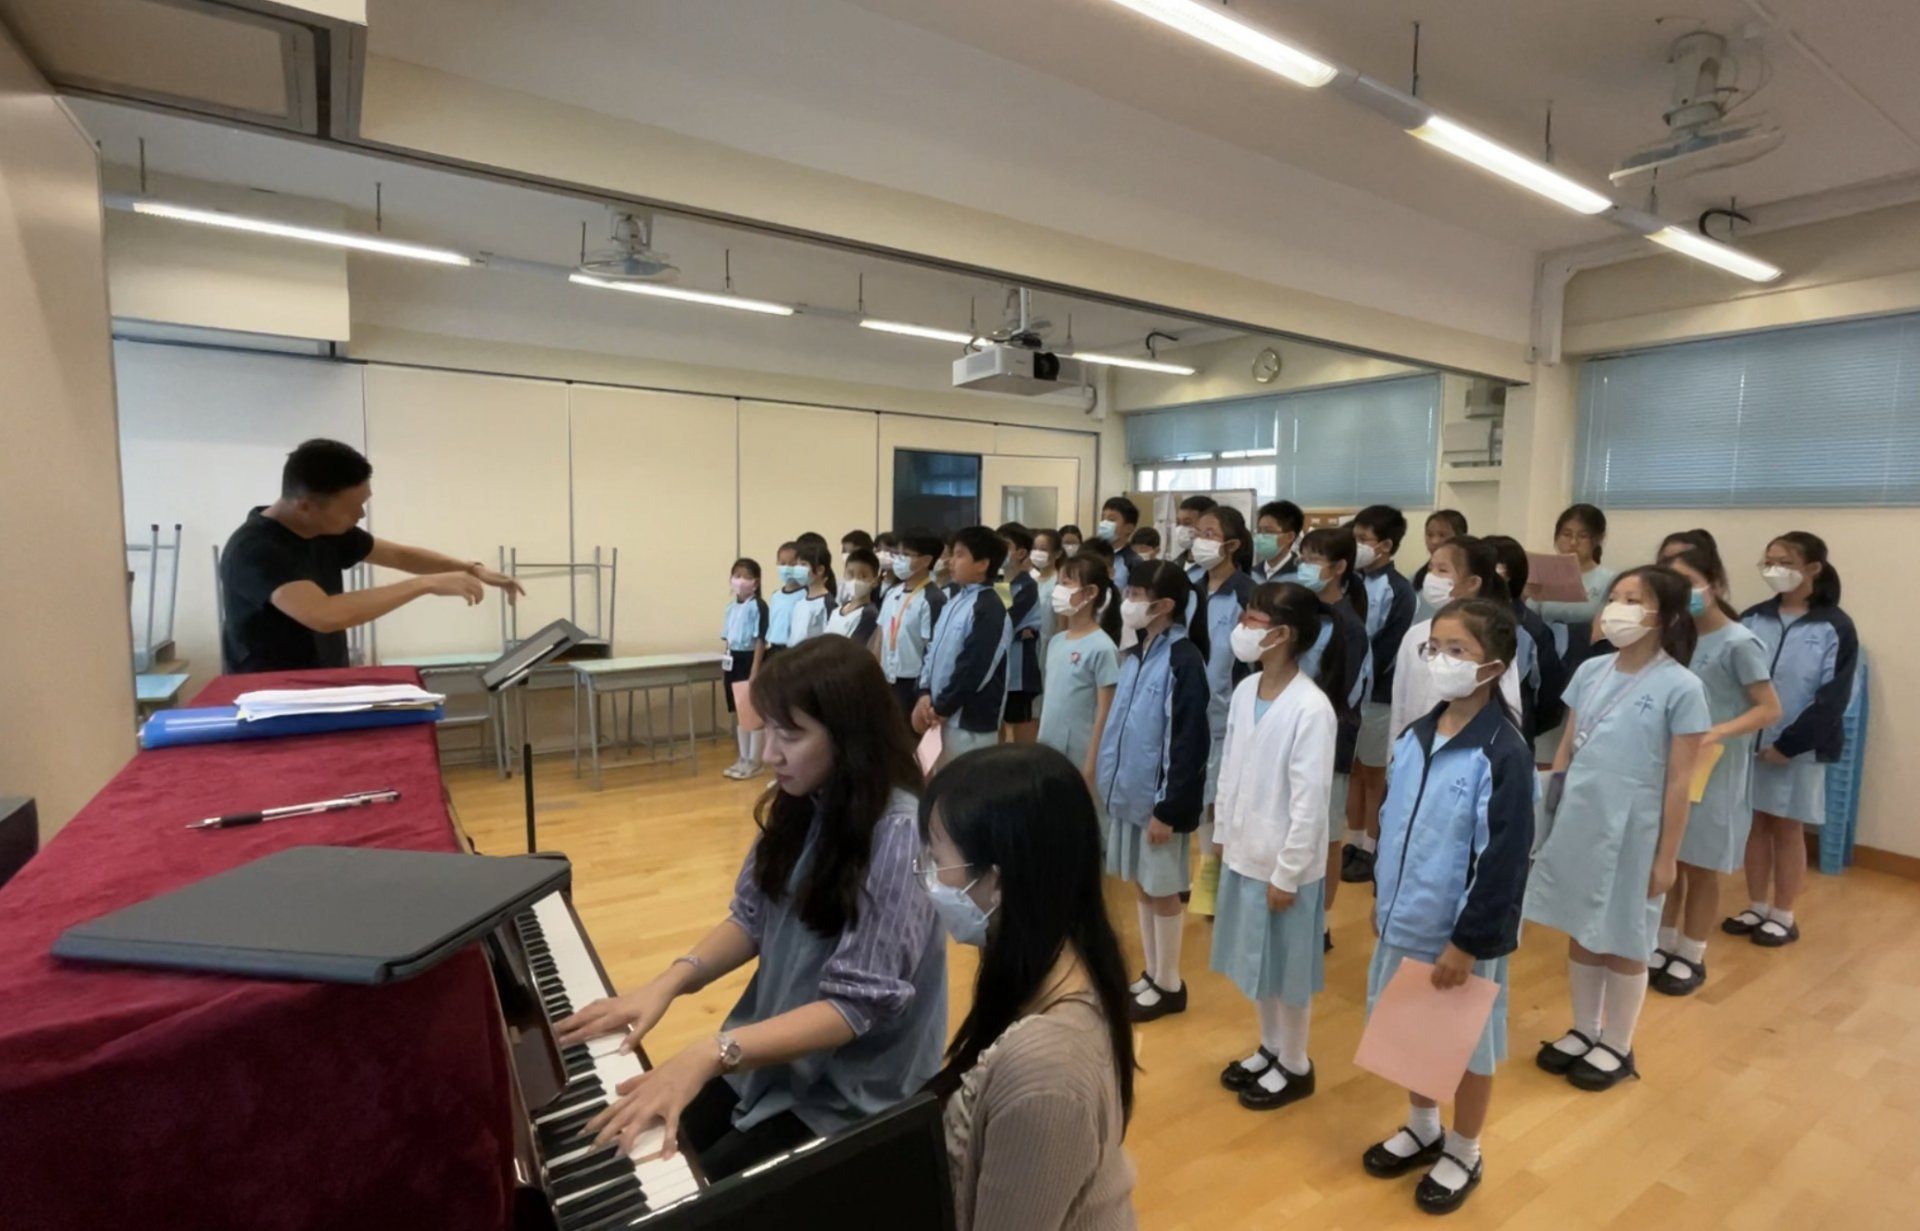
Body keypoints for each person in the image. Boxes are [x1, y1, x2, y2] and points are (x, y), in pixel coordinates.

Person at [555, 637, 946, 1180]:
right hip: (768, 1058)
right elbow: (752, 917)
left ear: (850, 736)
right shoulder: (806, 798)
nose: (769, 754)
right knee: (617, 1145)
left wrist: (710, 1052)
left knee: (687, 1190)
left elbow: (854, 1007)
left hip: (846, 1097)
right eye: (769, 731)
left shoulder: (899, 832)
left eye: (791, 735)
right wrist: (664, 985)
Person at [918, 744, 1139, 1231]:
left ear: (996, 881)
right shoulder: (1055, 962)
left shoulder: (1047, 1071)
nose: (930, 879)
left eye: (937, 861)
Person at [1363, 597, 1534, 1216]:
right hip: (1404, 918)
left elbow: (1504, 860)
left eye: (1457, 650)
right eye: (1434, 648)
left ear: (1493, 667)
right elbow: (1394, 822)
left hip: (1459, 934)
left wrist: (1467, 942)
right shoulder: (1416, 735)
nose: (1440, 659)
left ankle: (1465, 1148)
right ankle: (1423, 1125)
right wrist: (1383, 897)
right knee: (1413, 1032)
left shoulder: (1503, 753)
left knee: (1465, 1045)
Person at [1526, 566, 1708, 1092]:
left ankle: (1618, 1043)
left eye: (1634, 599)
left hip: (1637, 827)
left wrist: (1667, 856)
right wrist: (1553, 813)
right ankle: (1585, 1028)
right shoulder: (1592, 670)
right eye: (1616, 597)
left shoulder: (1682, 686)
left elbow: (1680, 782)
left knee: (1626, 934)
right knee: (1581, 922)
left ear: (1664, 616)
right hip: (1581, 814)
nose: (1618, 607)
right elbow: (1567, 747)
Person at [218, 438, 525, 673]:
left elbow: (401, 556)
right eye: (353, 507)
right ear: (305, 506)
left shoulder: (324, 529)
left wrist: (472, 569)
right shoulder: (255, 550)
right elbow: (324, 614)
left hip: (323, 678)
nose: (361, 515)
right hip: (268, 692)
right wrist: (426, 584)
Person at [1210, 582, 1339, 1112]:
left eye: (1253, 619)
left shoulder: (1311, 708)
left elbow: (1311, 803)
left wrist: (1287, 873)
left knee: (1287, 970)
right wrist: (1221, 832)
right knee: (1256, 961)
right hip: (1245, 850)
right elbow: (1230, 768)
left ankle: (1296, 1062)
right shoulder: (1246, 691)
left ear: (1283, 634)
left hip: (1286, 866)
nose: (1242, 627)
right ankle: (1269, 1046)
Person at [1650, 545, 1781, 995]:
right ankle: (1663, 942)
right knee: (1670, 857)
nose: (1682, 594)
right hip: (1675, 765)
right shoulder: (1676, 637)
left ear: (1716, 584)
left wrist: (1718, 731)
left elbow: (1769, 708)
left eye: (1689, 584)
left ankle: (1691, 952)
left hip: (1716, 768)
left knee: (1701, 865)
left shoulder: (1739, 643)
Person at [1727, 533, 1857, 949]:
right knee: (1756, 824)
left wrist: (1789, 745)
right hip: (1750, 742)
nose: (1774, 570)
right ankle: (1756, 905)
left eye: (1785, 562)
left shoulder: (1835, 626)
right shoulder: (1752, 618)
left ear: (1813, 568)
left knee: (1787, 827)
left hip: (1800, 748)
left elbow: (1832, 697)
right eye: (1769, 561)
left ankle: (1783, 913)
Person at [1095, 560, 1210, 1022]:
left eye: (1137, 595)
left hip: (1158, 803)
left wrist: (1169, 808)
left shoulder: (1184, 659)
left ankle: (1170, 983)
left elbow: (1187, 741)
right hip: (1131, 794)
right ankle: (1152, 973)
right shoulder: (1139, 650)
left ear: (1164, 605)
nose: (1129, 602)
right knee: (1144, 886)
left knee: (1162, 889)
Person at [1295, 527, 1373, 894]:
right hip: (1292, 735)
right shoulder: (1303, 612)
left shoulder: (1349, 627)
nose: (1304, 566)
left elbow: (1345, 696)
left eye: (1313, 560)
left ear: (1339, 567)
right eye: (1302, 558)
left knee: (1324, 836)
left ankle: (1320, 917)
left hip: (1326, 742)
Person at [1388, 537, 1523, 745]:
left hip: (1473, 744)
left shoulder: (1491, 635)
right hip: (1417, 744)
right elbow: (1400, 705)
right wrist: (1395, 754)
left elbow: (1509, 700)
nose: (1432, 577)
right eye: (1431, 569)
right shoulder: (1415, 635)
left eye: (1442, 570)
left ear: (1472, 583)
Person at [1191, 506, 1258, 912]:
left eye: (1210, 533)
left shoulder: (1247, 592)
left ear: (1231, 544)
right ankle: (1206, 882)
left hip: (1228, 712)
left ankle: (1219, 887)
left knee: (1223, 801)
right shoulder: (1190, 586)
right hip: (1191, 710)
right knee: (1200, 800)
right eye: (1197, 531)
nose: (1200, 540)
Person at [1347, 505, 1416, 884]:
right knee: (1354, 770)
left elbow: (1388, 648)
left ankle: (1371, 848)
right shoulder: (1351, 580)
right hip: (1349, 694)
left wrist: (1359, 673)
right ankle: (1352, 839)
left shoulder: (1398, 590)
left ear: (1386, 545)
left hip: (1378, 695)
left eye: (1363, 540)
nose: (1356, 545)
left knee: (1375, 773)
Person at [913, 527, 1012, 768]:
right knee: (940, 783)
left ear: (982, 564)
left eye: (959, 555)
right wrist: (924, 692)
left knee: (967, 785)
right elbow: (933, 651)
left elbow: (975, 667)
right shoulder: (955, 600)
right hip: (940, 715)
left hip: (969, 724)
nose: (950, 561)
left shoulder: (990, 608)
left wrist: (943, 707)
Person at [1529, 504, 1616, 763]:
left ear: (1597, 539)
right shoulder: (1544, 573)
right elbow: (1532, 614)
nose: (1573, 543)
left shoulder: (1608, 579)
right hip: (1546, 657)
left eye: (1583, 536)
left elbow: (1604, 625)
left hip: (1586, 656)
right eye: (1566, 534)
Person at [1038, 555, 1123, 793]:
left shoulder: (1102, 648)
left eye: (1066, 583)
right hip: (1049, 744)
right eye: (1058, 583)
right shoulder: (1057, 641)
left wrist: (1092, 763)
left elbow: (1105, 712)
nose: (1058, 590)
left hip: (1080, 750)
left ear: (1090, 592)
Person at [1482, 535, 1568, 746]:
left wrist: (1530, 726)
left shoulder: (1530, 628)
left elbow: (1550, 693)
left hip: (1513, 731)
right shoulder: (1462, 618)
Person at [877, 531, 948, 720]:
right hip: (887, 677)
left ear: (926, 560)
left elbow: (933, 650)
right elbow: (880, 635)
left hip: (912, 683)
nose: (899, 559)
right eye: (898, 553)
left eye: (906, 555)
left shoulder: (933, 599)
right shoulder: (892, 593)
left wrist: (925, 691)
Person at [722, 557, 770, 780]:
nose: (740, 580)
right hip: (733, 659)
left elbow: (760, 639)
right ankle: (743, 757)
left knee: (752, 712)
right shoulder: (731, 607)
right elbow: (728, 637)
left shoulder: (758, 606)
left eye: (746, 576)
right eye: (737, 575)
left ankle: (755, 761)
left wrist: (755, 670)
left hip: (750, 659)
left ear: (756, 582)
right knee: (739, 712)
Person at [997, 523, 1044, 744]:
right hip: (999, 663)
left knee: (1022, 723)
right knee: (998, 721)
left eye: (1005, 545)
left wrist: (1016, 633)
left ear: (1021, 552)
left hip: (1020, 668)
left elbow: (1006, 619)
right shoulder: (999, 582)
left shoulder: (1027, 585)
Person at [1409, 509, 1469, 617]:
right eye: (1429, 535)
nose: (1434, 541)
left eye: (1442, 535)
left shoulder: (1468, 578)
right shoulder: (1416, 578)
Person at [825, 548, 882, 644]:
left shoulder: (869, 615)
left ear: (875, 581)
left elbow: (852, 648)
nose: (855, 580)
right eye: (850, 574)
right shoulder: (837, 611)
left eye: (863, 576)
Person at [764, 541, 808, 658]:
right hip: (774, 649)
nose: (787, 568)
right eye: (783, 563)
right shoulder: (776, 596)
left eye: (793, 564)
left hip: (794, 650)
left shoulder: (806, 595)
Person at [790, 540, 837, 643]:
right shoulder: (800, 603)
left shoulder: (828, 604)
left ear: (820, 570)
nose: (798, 569)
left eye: (803, 564)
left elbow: (830, 639)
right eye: (797, 564)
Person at [1251, 500, 1305, 583]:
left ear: (1289, 537)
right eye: (1259, 531)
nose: (1261, 537)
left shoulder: (1303, 576)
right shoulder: (1252, 573)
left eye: (1268, 531)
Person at [1031, 528, 1064, 661]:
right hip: (1031, 644)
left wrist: (1055, 647)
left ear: (1057, 553)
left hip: (1050, 645)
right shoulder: (1032, 581)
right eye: (1034, 548)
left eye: (1043, 549)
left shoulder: (1060, 582)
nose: (1037, 552)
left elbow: (1062, 623)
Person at [1099, 497, 1144, 589]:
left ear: (1129, 528)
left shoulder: (1134, 562)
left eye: (1111, 519)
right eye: (1103, 518)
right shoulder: (1090, 555)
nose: (1104, 523)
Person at [1169, 493, 1217, 571]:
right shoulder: (1175, 564)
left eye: (1187, 523)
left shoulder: (1215, 566)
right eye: (1178, 523)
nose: (1180, 528)